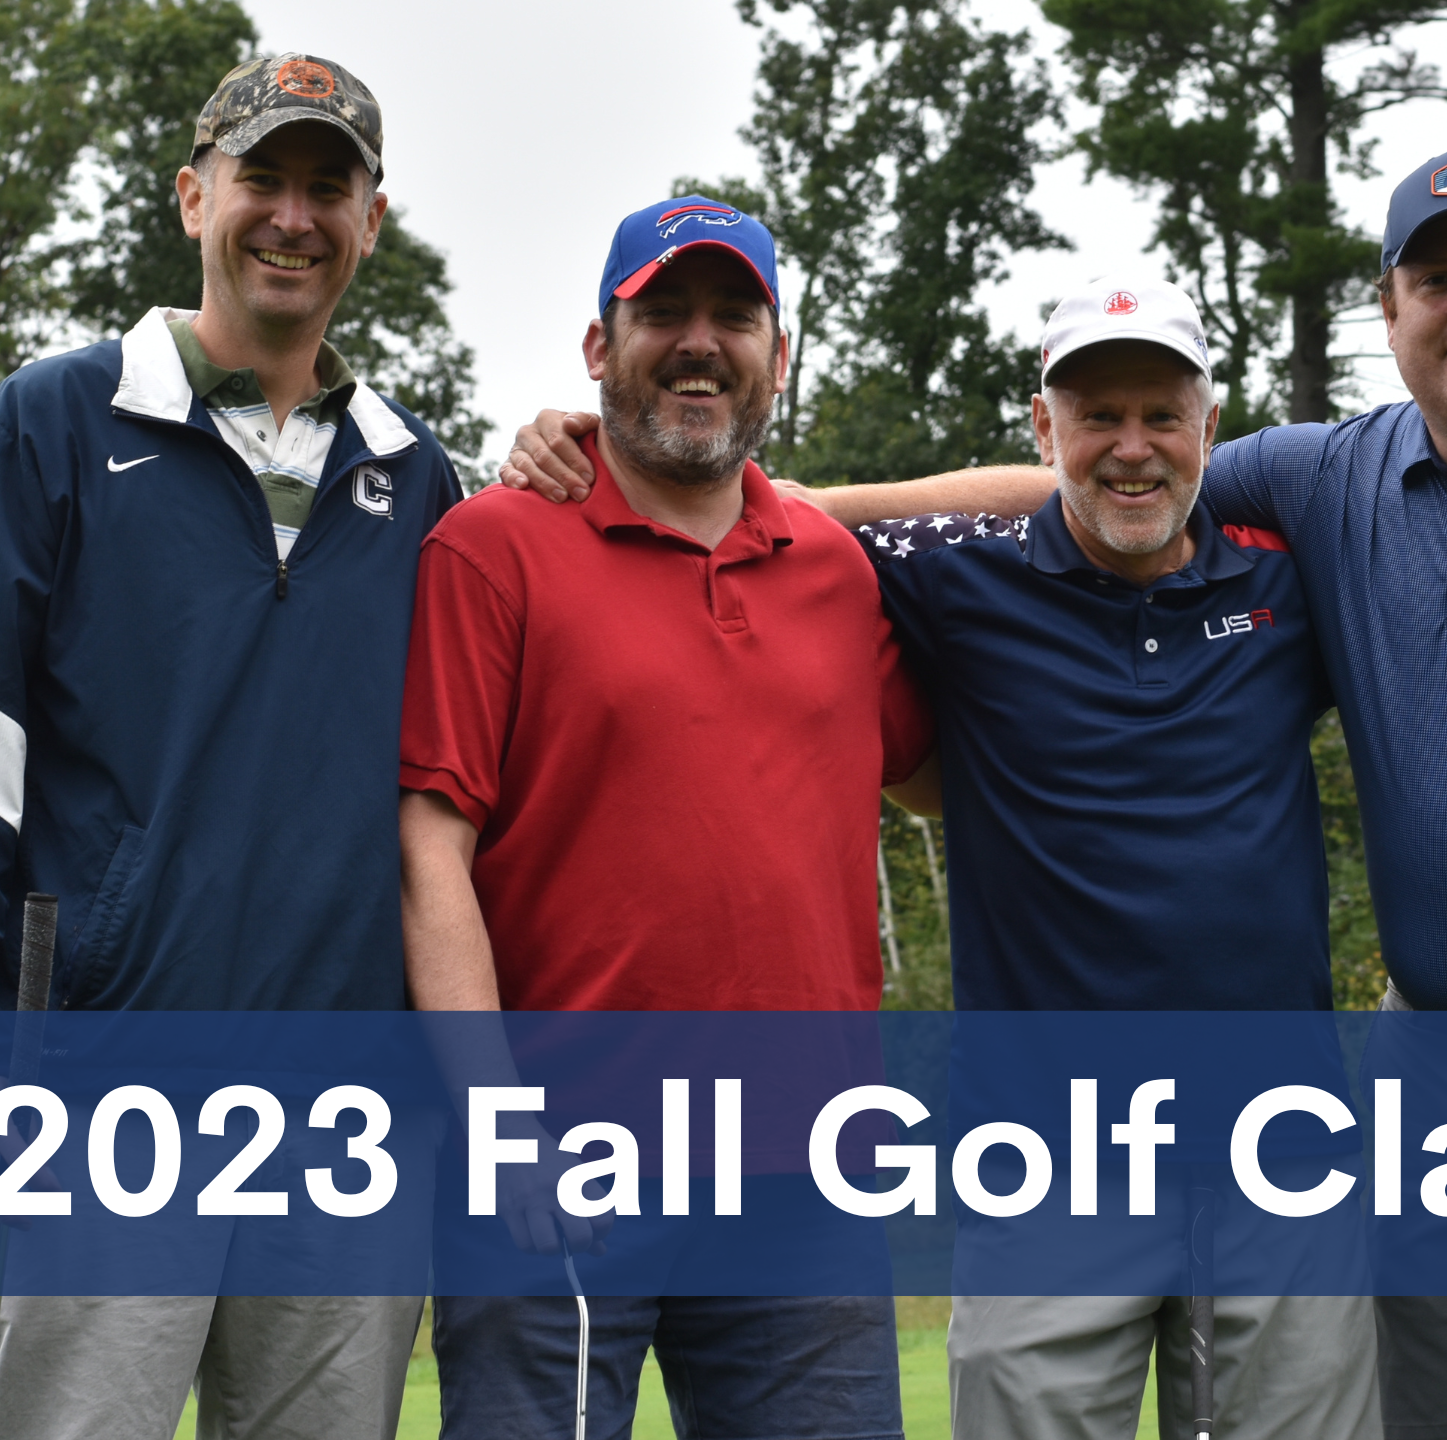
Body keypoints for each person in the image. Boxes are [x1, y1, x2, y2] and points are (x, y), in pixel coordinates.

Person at [508, 144, 1447, 1440]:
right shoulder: (1324, 480)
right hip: (1395, 1064)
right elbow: (1070, 484)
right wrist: (781, 498)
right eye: (1439, 278)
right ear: (1392, 308)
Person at [0, 54, 459, 1440]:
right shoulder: (57, 424)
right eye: (263, 178)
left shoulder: (422, 479)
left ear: (371, 222)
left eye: (330, 188)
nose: (292, 215)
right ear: (194, 193)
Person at [396, 195, 932, 1440]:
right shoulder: (492, 548)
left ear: (778, 355)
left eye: (734, 317)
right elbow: (430, 851)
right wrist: (493, 1125)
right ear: (600, 347)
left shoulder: (831, 567)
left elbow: (933, 765)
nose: (700, 343)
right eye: (664, 315)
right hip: (560, 1160)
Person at [847, 273, 1382, 1439]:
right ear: (1044, 429)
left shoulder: (1288, 579)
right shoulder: (956, 580)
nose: (1130, 449)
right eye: (1095, 416)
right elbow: (759, 526)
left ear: (1208, 427)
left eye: (1160, 416)